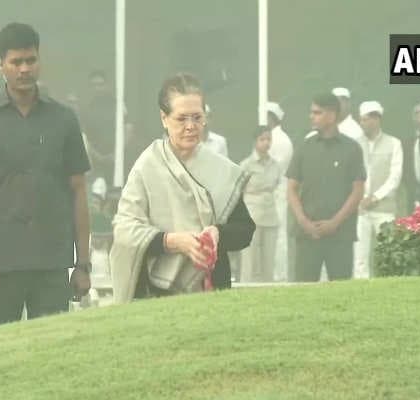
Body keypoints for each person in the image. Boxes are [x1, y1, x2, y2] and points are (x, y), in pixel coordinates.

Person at [0, 22, 92, 328]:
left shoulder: (63, 120)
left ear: (39, 60)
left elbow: (78, 193)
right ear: (1, 65)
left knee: (53, 349)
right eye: (16, 62)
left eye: (31, 60)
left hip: (51, 264)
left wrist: (83, 264)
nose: (24, 69)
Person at [110, 73, 255, 302]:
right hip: (157, 295)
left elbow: (244, 230)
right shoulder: (148, 167)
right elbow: (124, 231)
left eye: (197, 118)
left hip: (211, 289)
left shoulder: (220, 169)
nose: (190, 126)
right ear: (164, 118)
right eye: (181, 119)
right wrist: (172, 241)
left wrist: (217, 234)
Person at [287, 92, 365, 282]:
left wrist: (334, 223)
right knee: (303, 291)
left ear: (331, 115)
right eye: (311, 112)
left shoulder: (352, 148)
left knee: (341, 291)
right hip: (308, 235)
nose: (311, 116)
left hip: (340, 234)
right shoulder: (304, 147)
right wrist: (304, 222)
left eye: (317, 113)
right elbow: (291, 188)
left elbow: (358, 191)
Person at [353, 101, 403, 279]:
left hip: (384, 208)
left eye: (367, 119)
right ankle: (361, 288)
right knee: (359, 256)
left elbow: (394, 177)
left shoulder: (394, 143)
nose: (363, 123)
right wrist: (359, 199)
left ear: (377, 119)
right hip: (360, 208)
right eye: (362, 119)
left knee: (387, 250)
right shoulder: (354, 144)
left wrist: (374, 197)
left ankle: (388, 285)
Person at [239, 127, 282, 282]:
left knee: (269, 260)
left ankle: (268, 288)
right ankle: (246, 288)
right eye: (262, 139)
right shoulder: (246, 165)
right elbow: (238, 191)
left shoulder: (275, 165)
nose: (266, 143)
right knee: (249, 260)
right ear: (255, 141)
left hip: (270, 215)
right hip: (252, 216)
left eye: (269, 139)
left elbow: (276, 185)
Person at [265, 101, 293, 281]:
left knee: (279, 233)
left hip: (278, 191)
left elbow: (275, 169)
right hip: (270, 193)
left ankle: (280, 274)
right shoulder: (270, 137)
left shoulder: (281, 140)